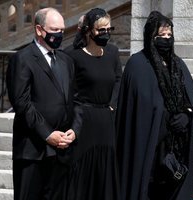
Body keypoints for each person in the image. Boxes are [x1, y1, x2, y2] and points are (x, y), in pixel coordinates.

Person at [116, 11, 193, 200]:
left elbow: (188, 100)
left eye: (170, 36)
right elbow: (136, 109)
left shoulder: (178, 64)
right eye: (161, 36)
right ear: (151, 36)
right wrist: (162, 118)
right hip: (149, 149)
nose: (166, 40)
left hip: (174, 151)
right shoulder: (137, 64)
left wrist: (186, 115)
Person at [6, 7, 76, 200]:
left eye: (62, 30)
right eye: (55, 30)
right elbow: (22, 103)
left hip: (62, 151)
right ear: (39, 30)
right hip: (32, 152)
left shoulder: (66, 61)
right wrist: (47, 134)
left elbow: (74, 99)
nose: (60, 34)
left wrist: (74, 130)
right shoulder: (22, 59)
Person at [56, 7, 122, 200]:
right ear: (88, 30)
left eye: (109, 29)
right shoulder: (72, 55)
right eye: (101, 30)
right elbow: (69, 91)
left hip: (106, 120)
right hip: (83, 121)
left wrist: (112, 104)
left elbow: (118, 79)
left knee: (105, 173)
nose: (106, 34)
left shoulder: (113, 52)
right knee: (83, 173)